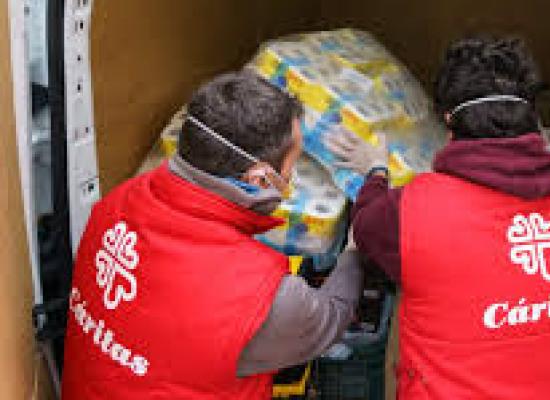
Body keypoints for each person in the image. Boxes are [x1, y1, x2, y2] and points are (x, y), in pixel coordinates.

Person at [327, 37, 550, 399]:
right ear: (530, 118)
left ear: (448, 122)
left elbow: (365, 227)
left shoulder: (413, 212)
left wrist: (376, 171)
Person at [62, 71, 363, 399]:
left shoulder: (115, 203)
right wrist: (354, 250)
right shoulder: (264, 299)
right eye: (293, 163)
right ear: (261, 179)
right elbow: (331, 318)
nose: (291, 177)